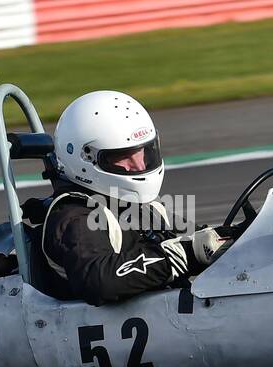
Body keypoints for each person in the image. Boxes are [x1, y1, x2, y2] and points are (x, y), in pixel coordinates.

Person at [26, 91, 225, 304]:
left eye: (142, 152)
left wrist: (237, 236)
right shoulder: (74, 216)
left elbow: (201, 239)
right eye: (123, 156)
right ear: (86, 159)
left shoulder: (141, 205)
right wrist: (186, 255)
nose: (139, 166)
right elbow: (99, 282)